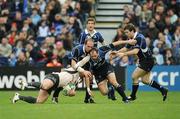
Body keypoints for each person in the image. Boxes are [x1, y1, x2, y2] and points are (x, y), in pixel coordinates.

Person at [112, 24, 168, 101]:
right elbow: (126, 48)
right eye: (125, 32)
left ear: (132, 31)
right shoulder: (132, 38)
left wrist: (123, 54)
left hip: (147, 61)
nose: (126, 34)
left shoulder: (139, 38)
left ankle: (133, 96)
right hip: (144, 60)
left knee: (134, 76)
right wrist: (117, 52)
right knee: (145, 80)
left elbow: (136, 51)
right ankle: (163, 89)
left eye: (127, 32)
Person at [12, 56, 92, 104]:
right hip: (54, 77)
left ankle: (18, 97)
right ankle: (26, 84)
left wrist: (70, 92)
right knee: (46, 86)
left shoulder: (76, 81)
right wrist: (91, 54)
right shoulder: (75, 68)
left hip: (55, 85)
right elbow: (84, 60)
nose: (86, 74)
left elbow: (67, 92)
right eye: (86, 73)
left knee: (39, 101)